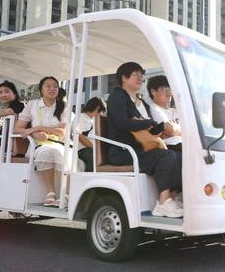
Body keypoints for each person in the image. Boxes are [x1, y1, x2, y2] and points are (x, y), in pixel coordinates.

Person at [106, 62, 183, 218]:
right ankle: (162, 203)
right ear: (124, 78)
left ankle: (171, 198)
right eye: (136, 74)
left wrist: (158, 127)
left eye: (141, 75)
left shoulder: (142, 103)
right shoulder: (117, 96)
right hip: (124, 150)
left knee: (180, 157)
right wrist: (149, 123)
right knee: (167, 156)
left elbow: (148, 129)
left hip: (142, 148)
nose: (140, 78)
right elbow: (122, 123)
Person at [14, 76, 68, 207]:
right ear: (41, 89)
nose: (52, 89)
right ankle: (51, 193)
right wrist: (34, 133)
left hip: (60, 143)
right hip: (38, 145)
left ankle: (66, 194)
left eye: (55, 86)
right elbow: (17, 128)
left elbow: (63, 132)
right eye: (48, 86)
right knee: (46, 152)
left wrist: (38, 127)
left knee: (58, 152)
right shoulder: (32, 105)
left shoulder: (63, 107)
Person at [147, 75, 182, 153]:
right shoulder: (153, 108)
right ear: (153, 91)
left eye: (169, 88)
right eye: (164, 88)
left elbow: (190, 128)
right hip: (172, 147)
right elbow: (169, 130)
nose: (169, 92)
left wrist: (173, 131)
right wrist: (180, 130)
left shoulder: (174, 110)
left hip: (185, 144)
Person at [76, 97, 106, 172]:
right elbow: (80, 136)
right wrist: (95, 148)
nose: (101, 115)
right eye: (101, 112)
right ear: (97, 108)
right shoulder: (80, 117)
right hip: (83, 149)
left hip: (93, 149)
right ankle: (87, 178)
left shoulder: (93, 120)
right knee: (93, 158)